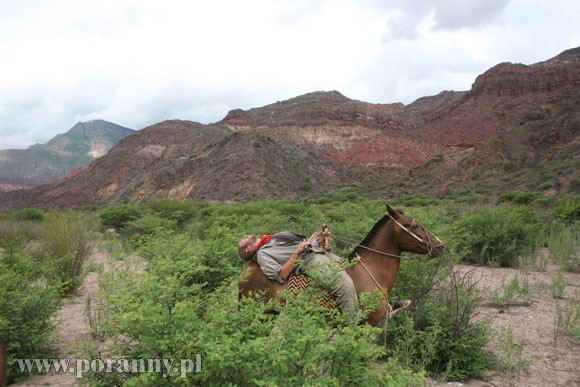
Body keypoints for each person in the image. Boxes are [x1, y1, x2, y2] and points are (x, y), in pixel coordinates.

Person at [238, 226, 359, 322]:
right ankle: (352, 326)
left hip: (316, 251)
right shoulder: (262, 254)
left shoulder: (270, 240)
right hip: (309, 259)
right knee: (343, 285)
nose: (245, 236)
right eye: (242, 241)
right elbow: (281, 274)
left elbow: (308, 243)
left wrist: (320, 237)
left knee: (353, 269)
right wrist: (297, 252)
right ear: (247, 249)